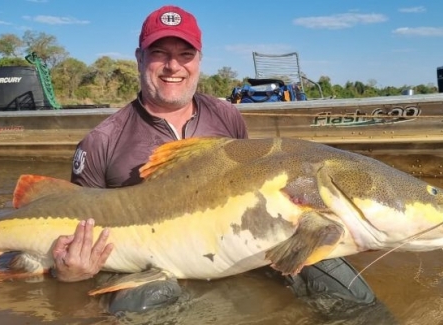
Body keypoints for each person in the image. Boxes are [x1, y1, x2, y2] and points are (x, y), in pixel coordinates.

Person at [50, 5, 375, 313]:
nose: (173, 66)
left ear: (199, 60)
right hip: (151, 268)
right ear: (139, 58)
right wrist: (68, 272)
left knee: (340, 277)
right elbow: (72, 223)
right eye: (160, 53)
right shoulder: (101, 142)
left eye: (185, 54)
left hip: (233, 253)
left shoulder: (226, 116)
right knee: (146, 301)